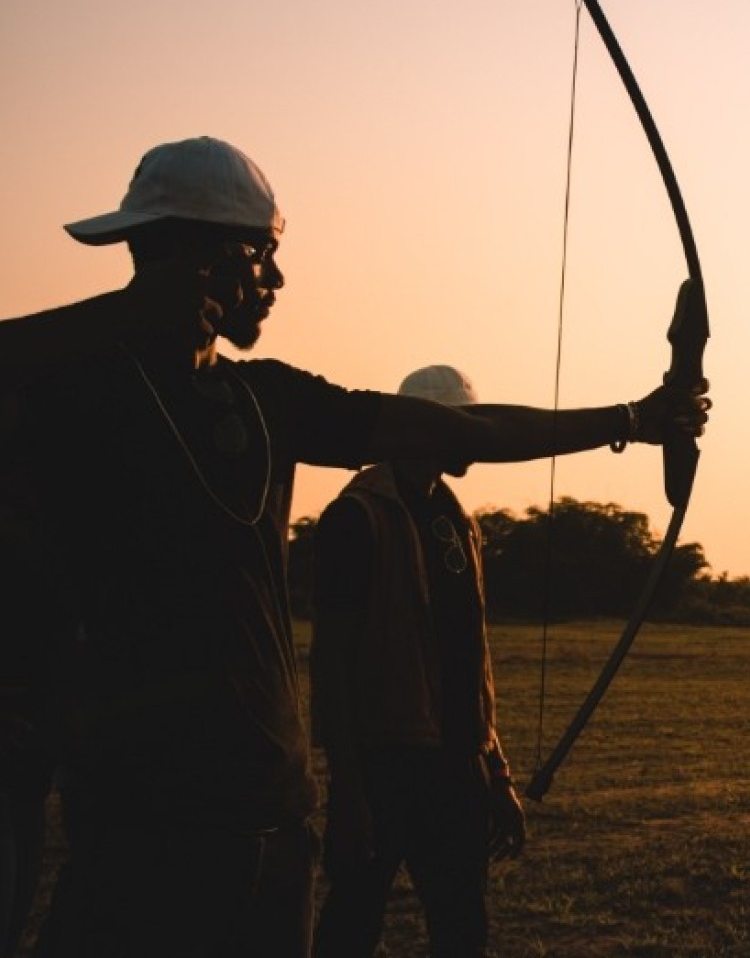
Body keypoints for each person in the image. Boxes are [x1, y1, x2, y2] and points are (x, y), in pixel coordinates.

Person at [0, 136, 710, 958]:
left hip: (274, 817)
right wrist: (124, 311)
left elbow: (462, 428)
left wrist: (631, 421)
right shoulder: (72, 394)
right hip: (144, 825)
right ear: (206, 257)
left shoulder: (267, 399)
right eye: (263, 257)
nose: (277, 281)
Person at [310, 364, 526, 958]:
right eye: (463, 423)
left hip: (459, 765)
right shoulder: (355, 519)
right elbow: (331, 662)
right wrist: (349, 793)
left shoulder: (461, 522)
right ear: (424, 426)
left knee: (462, 928)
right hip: (385, 765)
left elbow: (467, 659)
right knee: (352, 921)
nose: (475, 439)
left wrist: (496, 772)